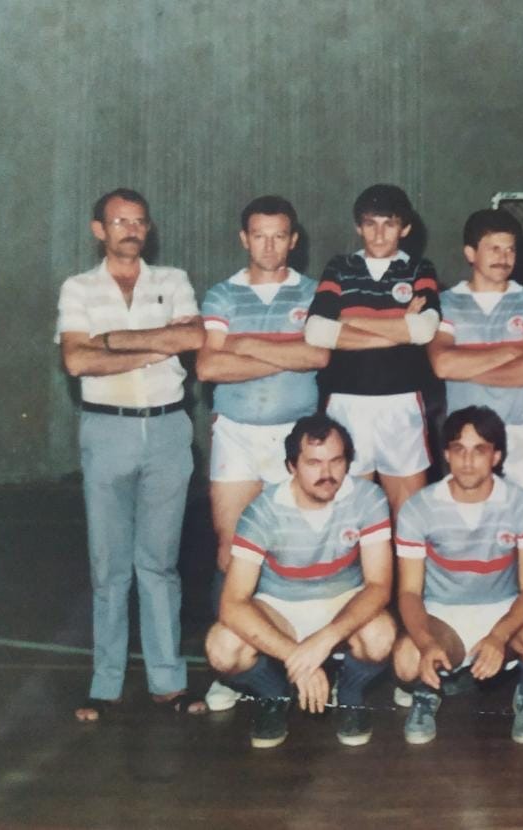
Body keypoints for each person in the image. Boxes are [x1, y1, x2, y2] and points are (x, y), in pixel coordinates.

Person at [57, 188, 207, 722]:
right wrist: (155, 345)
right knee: (109, 567)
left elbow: (192, 339)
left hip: (168, 429)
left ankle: (169, 683)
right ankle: (106, 684)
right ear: (99, 230)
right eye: (120, 221)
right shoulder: (78, 287)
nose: (131, 229)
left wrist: (111, 340)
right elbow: (76, 361)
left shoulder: (174, 280)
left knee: (159, 565)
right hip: (107, 431)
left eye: (139, 221)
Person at [196, 196, 328, 711]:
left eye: (279, 235)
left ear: (293, 240)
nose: (269, 245)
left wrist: (246, 346)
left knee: (292, 550)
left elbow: (318, 354)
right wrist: (286, 353)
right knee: (232, 550)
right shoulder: (221, 293)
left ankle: (299, 660)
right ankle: (233, 669)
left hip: (295, 439)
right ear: (243, 239)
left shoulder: (314, 292)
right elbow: (209, 367)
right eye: (259, 235)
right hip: (236, 436)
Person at [205, 416, 395, 747]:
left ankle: (349, 695)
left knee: (381, 635)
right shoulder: (262, 512)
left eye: (336, 461)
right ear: (291, 466)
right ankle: (273, 694)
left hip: (342, 599)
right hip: (280, 606)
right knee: (222, 648)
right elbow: (232, 604)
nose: (327, 473)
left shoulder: (368, 498)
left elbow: (379, 586)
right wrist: (299, 659)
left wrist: (325, 639)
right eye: (313, 463)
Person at [392, 406, 523, 745]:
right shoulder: (418, 508)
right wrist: (425, 642)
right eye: (459, 450)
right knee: (406, 660)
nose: (467, 462)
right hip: (443, 615)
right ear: (446, 455)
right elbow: (409, 592)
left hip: (502, 610)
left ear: (496, 456)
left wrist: (499, 636)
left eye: (479, 450)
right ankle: (426, 694)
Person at [304, 183, 442, 515]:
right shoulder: (340, 267)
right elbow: (317, 331)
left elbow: (424, 329)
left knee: (408, 514)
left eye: (389, 224)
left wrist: (348, 320)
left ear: (404, 229)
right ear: (358, 227)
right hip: (346, 404)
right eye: (370, 224)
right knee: (349, 513)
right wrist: (399, 328)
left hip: (402, 403)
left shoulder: (419, 269)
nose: (379, 235)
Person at [428, 210, 523, 510]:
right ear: (470, 253)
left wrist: (466, 366)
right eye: (494, 248)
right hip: (468, 438)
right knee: (473, 525)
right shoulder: (446, 302)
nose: (504, 258)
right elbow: (443, 364)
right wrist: (510, 352)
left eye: (510, 249)